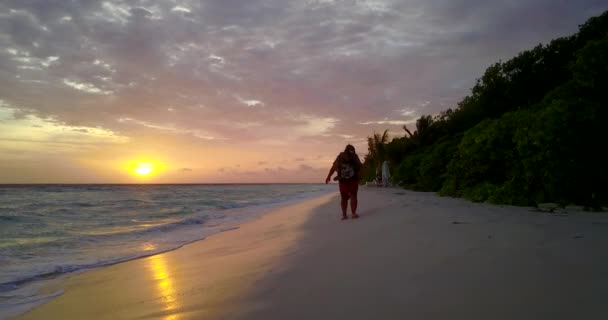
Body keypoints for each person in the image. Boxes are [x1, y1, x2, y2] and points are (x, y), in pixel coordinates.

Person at [325, 144, 362, 220]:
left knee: (344, 198)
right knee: (353, 196)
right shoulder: (354, 156)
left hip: (343, 181)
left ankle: (344, 215)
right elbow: (359, 167)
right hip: (352, 180)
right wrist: (360, 177)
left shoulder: (340, 157)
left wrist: (329, 176)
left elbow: (334, 167)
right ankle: (353, 214)